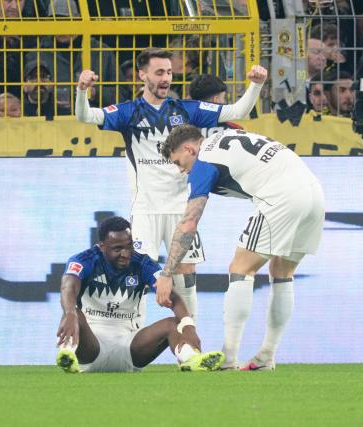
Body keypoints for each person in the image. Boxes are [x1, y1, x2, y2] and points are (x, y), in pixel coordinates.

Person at [75, 48, 267, 320]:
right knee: (137, 276)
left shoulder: (186, 109)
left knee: (186, 277)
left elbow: (238, 110)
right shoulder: (128, 112)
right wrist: (82, 91)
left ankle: (191, 343)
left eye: (169, 72)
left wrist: (256, 84)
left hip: (181, 210)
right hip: (146, 211)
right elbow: (85, 116)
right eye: (160, 72)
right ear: (143, 75)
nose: (166, 78)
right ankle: (132, 342)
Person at [154, 125, 325, 371]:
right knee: (282, 272)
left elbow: (189, 222)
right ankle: (266, 355)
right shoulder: (223, 138)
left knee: (240, 269)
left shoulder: (202, 162)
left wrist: (167, 273)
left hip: (281, 197)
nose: (182, 170)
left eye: (179, 162)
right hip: (314, 193)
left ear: (189, 149)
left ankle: (229, 357)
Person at [55, 216, 224, 373]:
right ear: (101, 246)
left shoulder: (142, 263)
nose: (126, 253)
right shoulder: (84, 260)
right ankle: (68, 356)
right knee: (74, 314)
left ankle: (191, 359)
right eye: (117, 249)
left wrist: (188, 326)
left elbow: (174, 298)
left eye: (129, 246)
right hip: (91, 349)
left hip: (131, 349)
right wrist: (69, 313)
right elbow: (68, 286)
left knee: (173, 324)